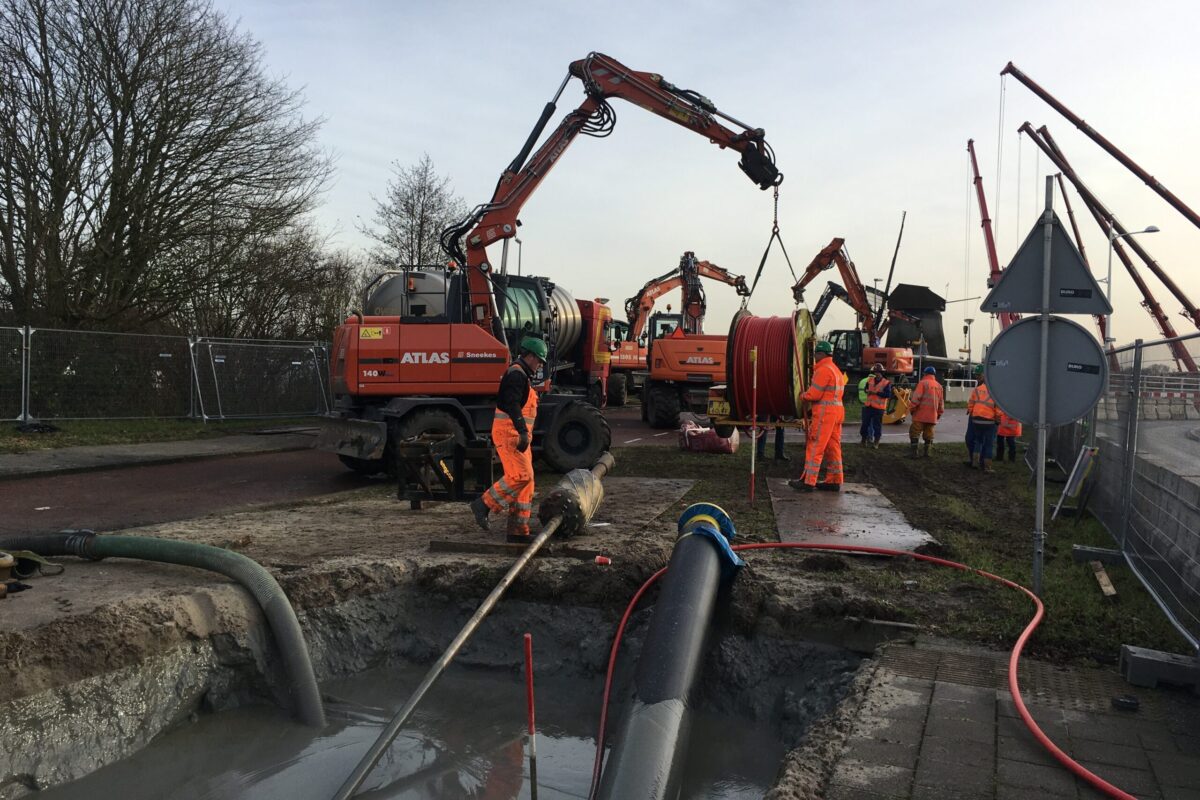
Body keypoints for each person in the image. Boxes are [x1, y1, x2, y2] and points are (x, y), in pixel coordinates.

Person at [470, 336, 547, 542]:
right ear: (529, 356)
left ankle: (518, 532)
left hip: (518, 435)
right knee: (521, 475)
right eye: (538, 360)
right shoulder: (516, 375)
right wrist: (522, 431)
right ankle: (483, 504)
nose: (539, 364)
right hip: (510, 434)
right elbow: (512, 405)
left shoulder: (521, 376)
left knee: (527, 481)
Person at [789, 340, 845, 492]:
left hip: (824, 414)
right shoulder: (835, 370)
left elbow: (814, 394)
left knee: (815, 446)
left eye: (816, 354)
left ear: (822, 354)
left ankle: (808, 481)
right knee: (833, 447)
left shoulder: (823, 370)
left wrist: (803, 396)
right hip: (836, 413)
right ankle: (834, 480)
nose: (814, 357)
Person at [966, 364, 999, 472]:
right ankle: (987, 467)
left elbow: (971, 403)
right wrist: (998, 419)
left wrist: (972, 412)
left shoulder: (977, 389)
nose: (977, 377)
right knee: (989, 444)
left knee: (977, 441)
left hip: (976, 419)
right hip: (989, 421)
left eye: (978, 375)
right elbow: (998, 408)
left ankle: (975, 462)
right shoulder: (995, 391)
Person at [907, 366, 944, 458]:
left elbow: (916, 398)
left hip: (920, 415)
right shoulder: (939, 386)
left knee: (914, 433)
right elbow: (941, 403)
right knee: (929, 435)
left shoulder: (923, 383)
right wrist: (939, 413)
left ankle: (914, 453)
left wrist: (911, 409)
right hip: (932, 416)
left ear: (925, 374)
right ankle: (927, 453)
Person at [860, 364, 893, 448]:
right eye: (875, 372)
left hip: (879, 408)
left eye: (878, 372)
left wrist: (876, 393)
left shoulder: (886, 383)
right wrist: (867, 391)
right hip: (869, 406)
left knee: (877, 426)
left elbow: (888, 395)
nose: (877, 373)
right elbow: (865, 389)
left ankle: (876, 442)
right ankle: (864, 440)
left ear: (881, 372)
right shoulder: (870, 380)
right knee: (865, 425)